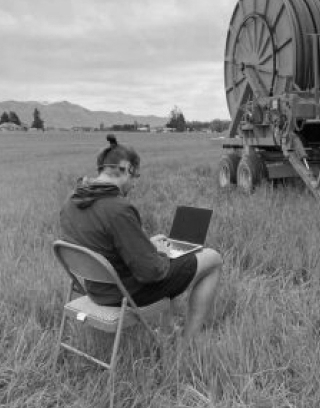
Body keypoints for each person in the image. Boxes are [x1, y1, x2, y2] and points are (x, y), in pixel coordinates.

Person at [60, 134, 222, 340]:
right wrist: (159, 254)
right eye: (136, 177)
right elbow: (152, 273)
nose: (135, 184)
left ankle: (166, 331)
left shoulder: (71, 201)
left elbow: (102, 246)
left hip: (95, 288)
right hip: (123, 294)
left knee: (162, 256)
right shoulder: (118, 209)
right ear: (127, 168)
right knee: (213, 258)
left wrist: (147, 245)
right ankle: (189, 341)